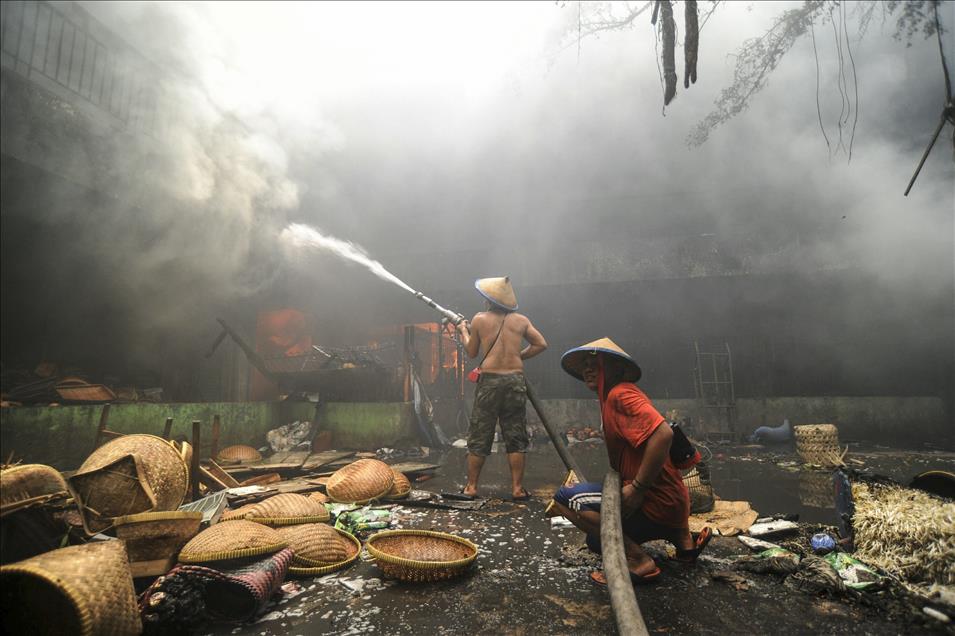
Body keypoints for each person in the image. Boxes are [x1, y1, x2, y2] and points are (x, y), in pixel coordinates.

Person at [551, 338, 711, 584]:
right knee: (597, 540)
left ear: (616, 368)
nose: (588, 368)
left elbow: (664, 434)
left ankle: (638, 560)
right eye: (584, 364)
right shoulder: (620, 395)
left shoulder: (620, 394)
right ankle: (685, 547)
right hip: (674, 504)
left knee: (565, 499)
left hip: (653, 502)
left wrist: (637, 488)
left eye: (596, 362)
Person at [456, 276, 547, 500]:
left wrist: (463, 330)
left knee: (480, 433)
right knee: (515, 435)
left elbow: (471, 351)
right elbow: (541, 344)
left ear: (488, 300)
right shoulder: (522, 320)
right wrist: (518, 356)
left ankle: (471, 487)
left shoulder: (479, 319)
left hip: (490, 382)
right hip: (515, 381)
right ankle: (517, 489)